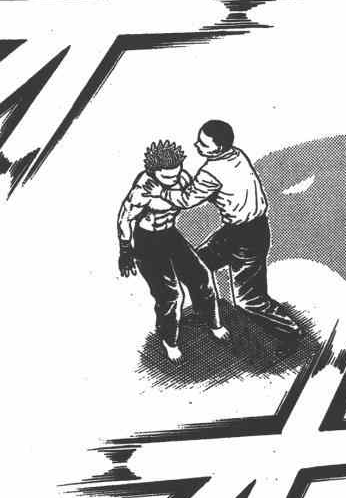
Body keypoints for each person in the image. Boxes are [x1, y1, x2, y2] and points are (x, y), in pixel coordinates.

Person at [165, 119, 299, 338]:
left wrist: (162, 192)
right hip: (236, 232)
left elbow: (187, 199)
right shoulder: (236, 154)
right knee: (195, 268)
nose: (197, 146)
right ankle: (205, 313)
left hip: (248, 237)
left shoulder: (211, 171)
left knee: (249, 300)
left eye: (203, 144)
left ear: (219, 148)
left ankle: (291, 332)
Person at [117, 139, 230, 362]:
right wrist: (125, 250)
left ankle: (213, 323)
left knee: (202, 277)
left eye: (175, 175)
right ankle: (170, 341)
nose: (173, 180)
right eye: (166, 177)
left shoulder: (183, 177)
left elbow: (192, 198)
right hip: (147, 241)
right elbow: (124, 218)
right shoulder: (142, 191)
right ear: (153, 172)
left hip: (170, 235)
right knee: (170, 295)